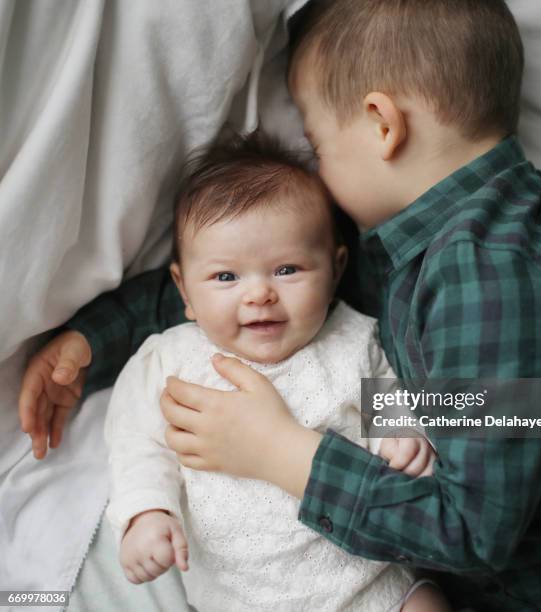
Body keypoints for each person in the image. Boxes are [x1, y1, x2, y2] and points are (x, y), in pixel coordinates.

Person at [18, 1, 541, 609]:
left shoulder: (491, 278)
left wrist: (283, 453)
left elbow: (472, 532)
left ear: (382, 124)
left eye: (318, 144)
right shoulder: (433, 240)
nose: (319, 176)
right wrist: (94, 339)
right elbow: (249, 286)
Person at [66, 131, 450, 611]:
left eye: (287, 269)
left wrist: (405, 432)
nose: (259, 295)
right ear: (184, 292)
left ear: (335, 269)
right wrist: (147, 511)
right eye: (226, 277)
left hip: (367, 586)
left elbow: (392, 396)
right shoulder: (170, 360)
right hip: (242, 597)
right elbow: (135, 442)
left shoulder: (353, 339)